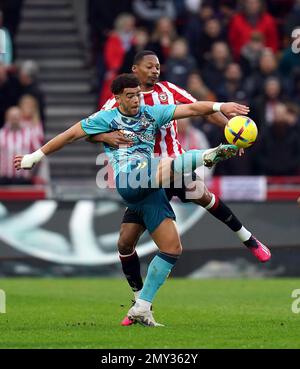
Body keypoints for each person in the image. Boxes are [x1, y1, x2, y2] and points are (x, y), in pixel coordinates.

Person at [14, 74, 257, 326]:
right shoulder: (105, 118)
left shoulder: (152, 113)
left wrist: (220, 107)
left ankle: (142, 306)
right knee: (168, 165)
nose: (135, 100)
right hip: (129, 179)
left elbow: (193, 108)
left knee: (172, 248)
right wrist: (35, 156)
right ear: (117, 98)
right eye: (129, 96)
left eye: (138, 95)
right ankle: (209, 155)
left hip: (150, 188)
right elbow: (69, 135)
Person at [90, 52, 272, 326]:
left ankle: (248, 238)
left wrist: (234, 134)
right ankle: (141, 302)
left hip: (174, 165)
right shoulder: (117, 103)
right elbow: (90, 131)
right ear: (135, 69)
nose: (155, 71)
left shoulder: (168, 91)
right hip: (146, 177)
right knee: (125, 241)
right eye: (149, 67)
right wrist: (106, 136)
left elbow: (202, 110)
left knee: (204, 196)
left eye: (158, 67)